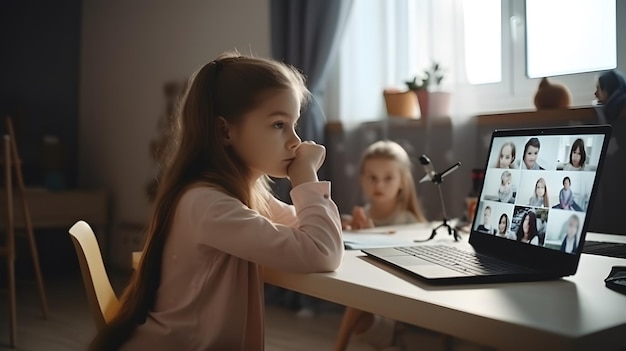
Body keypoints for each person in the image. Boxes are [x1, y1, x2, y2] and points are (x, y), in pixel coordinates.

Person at [89, 52, 344, 351]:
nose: (295, 141)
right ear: (225, 131)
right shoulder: (209, 203)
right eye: (279, 125)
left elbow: (309, 231)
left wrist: (328, 217)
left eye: (294, 125)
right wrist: (306, 178)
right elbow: (322, 252)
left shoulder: (237, 192)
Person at [339, 140, 427, 350]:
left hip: (395, 301)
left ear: (402, 181)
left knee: (358, 305)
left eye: (388, 178)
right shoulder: (360, 216)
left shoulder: (408, 222)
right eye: (372, 177)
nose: (379, 185)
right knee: (358, 303)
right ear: (362, 179)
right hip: (367, 297)